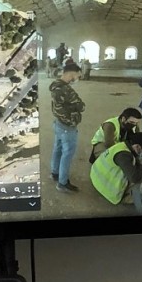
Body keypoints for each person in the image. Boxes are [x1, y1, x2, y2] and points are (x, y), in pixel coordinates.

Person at [89, 132, 142, 205]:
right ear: (137, 147)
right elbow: (134, 178)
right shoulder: (123, 156)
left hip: (97, 177)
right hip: (108, 190)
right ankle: (128, 197)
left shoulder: (122, 146)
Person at [50, 61, 84, 193]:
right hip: (68, 126)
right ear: (72, 73)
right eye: (78, 76)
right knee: (67, 154)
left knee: (57, 149)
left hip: (58, 123)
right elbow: (81, 106)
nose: (77, 79)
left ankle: (54, 173)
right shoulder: (67, 90)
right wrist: (75, 107)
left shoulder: (55, 85)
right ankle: (62, 183)